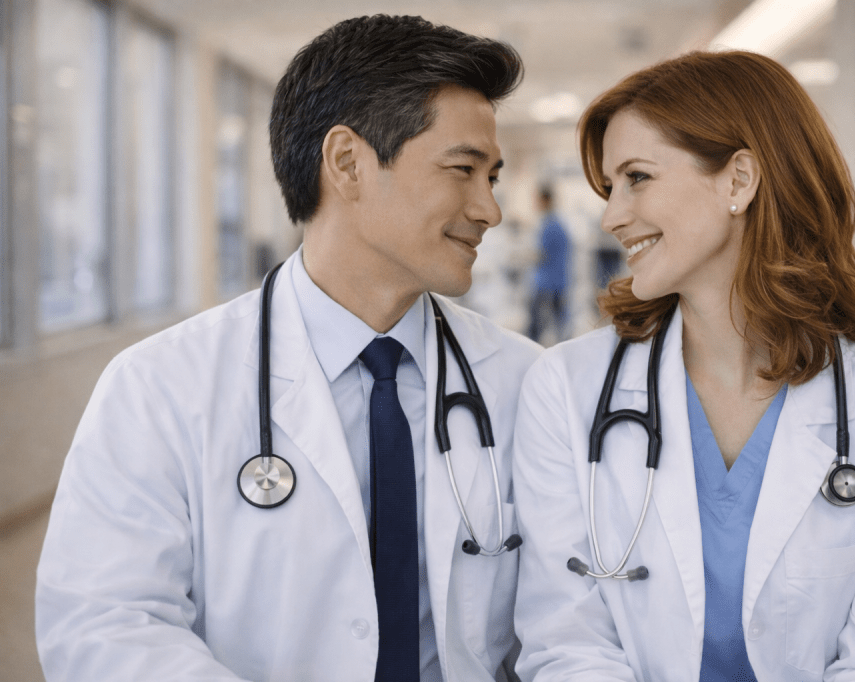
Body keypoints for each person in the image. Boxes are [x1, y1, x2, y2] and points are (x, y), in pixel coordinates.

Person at [36, 15, 540, 682]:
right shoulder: (160, 386)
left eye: (493, 177)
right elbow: (103, 623)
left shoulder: (524, 381)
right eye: (463, 170)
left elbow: (563, 625)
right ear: (347, 163)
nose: (489, 210)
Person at [512, 51, 855, 682]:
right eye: (610, 187)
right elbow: (566, 645)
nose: (613, 216)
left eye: (638, 177)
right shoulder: (565, 391)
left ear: (739, 180)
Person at [526, 185, 571, 344]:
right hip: (559, 282)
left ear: (545, 200)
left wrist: (524, 257)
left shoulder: (549, 226)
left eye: (538, 200)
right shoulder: (559, 224)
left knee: (535, 331)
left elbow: (541, 255)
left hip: (546, 284)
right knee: (560, 327)